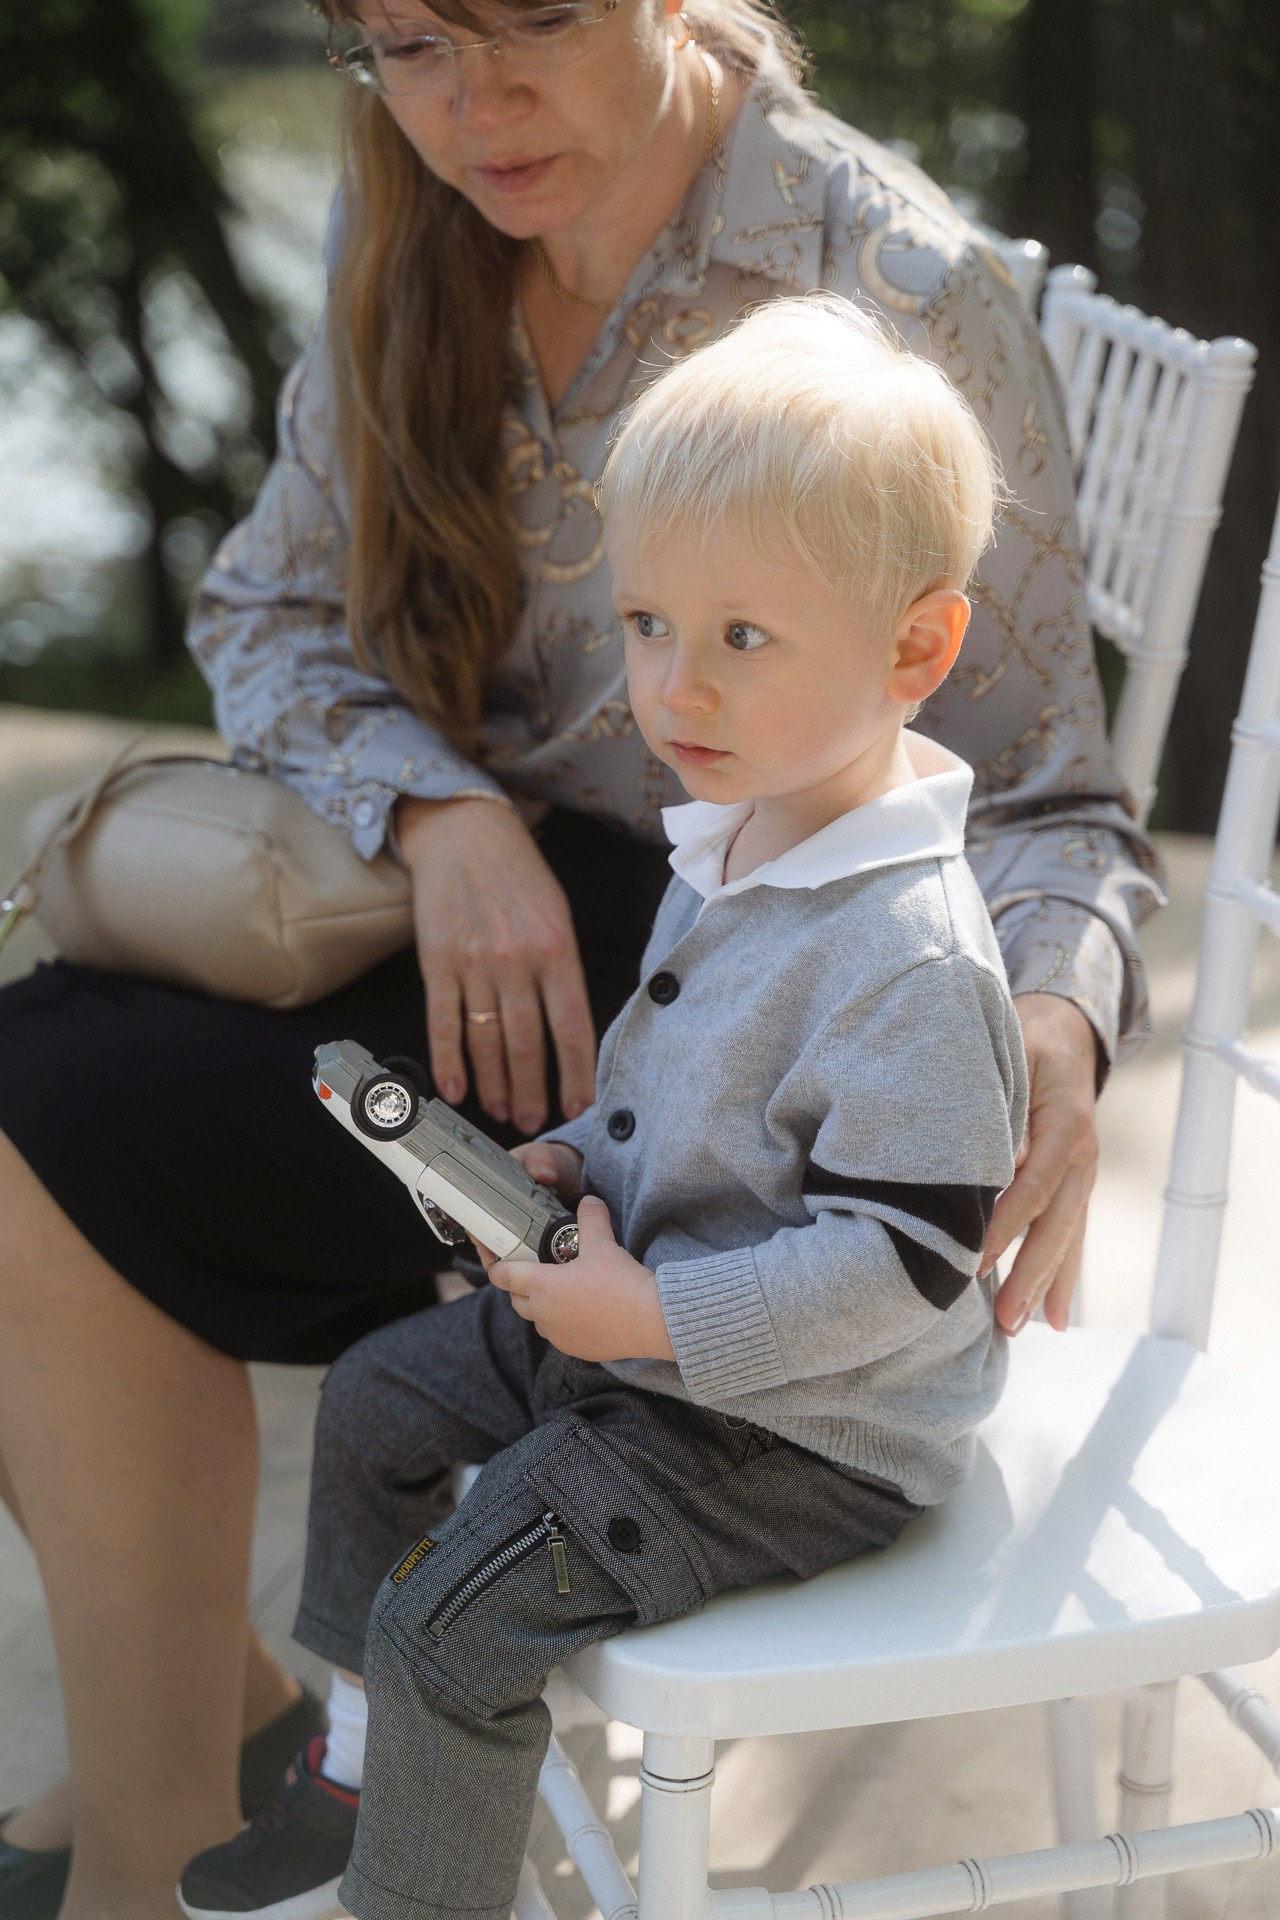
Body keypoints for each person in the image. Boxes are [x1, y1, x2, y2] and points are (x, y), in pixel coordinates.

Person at [0, 2, 1161, 1916]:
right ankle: (215, 1729)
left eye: (533, 16)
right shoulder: (409, 225)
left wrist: (1038, 1023)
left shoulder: (883, 278)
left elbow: (1044, 802)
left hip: (749, 1001)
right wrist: (435, 813)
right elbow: (268, 605)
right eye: (404, 43)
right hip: (509, 930)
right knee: (30, 1062)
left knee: (54, 1126)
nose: (476, 101)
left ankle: (154, 1844)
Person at [178, 292, 1029, 1920]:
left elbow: (901, 1270)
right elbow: (673, 1073)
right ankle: (358, 1765)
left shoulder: (912, 961)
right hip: (640, 1315)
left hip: (788, 1433)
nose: (677, 687)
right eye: (648, 624)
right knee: (376, 1400)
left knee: (459, 1622)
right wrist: (573, 1155)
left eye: (744, 638)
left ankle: (413, 1894)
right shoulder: (744, 823)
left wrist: (648, 1315)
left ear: (917, 648)